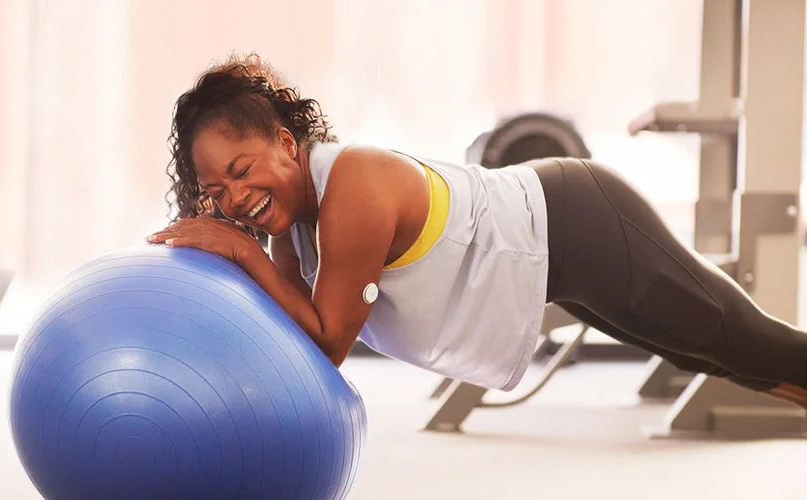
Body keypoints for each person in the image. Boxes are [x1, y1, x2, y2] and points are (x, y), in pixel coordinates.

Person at [148, 53, 807, 409]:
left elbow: (325, 343)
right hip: (554, 256)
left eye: (241, 171)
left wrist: (237, 249)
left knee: (743, 341)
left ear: (288, 146)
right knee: (708, 356)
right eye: (215, 192)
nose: (234, 198)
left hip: (580, 218)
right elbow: (294, 327)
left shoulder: (353, 190)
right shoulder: (297, 226)